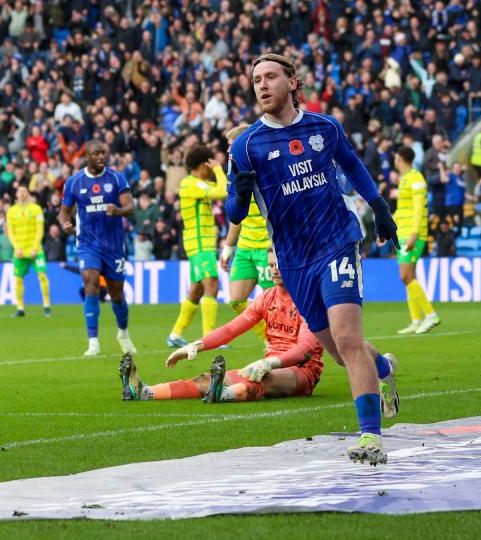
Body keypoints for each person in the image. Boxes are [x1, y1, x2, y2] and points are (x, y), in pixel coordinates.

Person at [225, 54, 399, 465]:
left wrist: (378, 206)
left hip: (337, 241)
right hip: (293, 261)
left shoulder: (324, 127)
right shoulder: (245, 145)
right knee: (339, 353)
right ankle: (384, 370)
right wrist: (242, 192)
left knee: (347, 338)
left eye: (270, 77)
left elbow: (352, 165)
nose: (262, 85)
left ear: (292, 82)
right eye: (255, 80)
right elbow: (234, 213)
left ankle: (370, 438)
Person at [121, 250, 324, 403]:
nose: (275, 270)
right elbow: (231, 329)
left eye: (279, 264)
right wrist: (197, 345)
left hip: (301, 372)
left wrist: (269, 364)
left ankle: (223, 394)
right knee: (204, 379)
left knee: (260, 380)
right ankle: (145, 392)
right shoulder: (267, 298)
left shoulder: (308, 299)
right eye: (271, 265)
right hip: (268, 364)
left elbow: (304, 351)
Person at [59, 140, 137, 357]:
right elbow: (63, 211)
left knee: (117, 294)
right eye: (97, 153)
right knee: (90, 281)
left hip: (113, 246)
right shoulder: (74, 182)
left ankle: (122, 333)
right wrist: (65, 223)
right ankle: (93, 342)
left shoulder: (116, 178)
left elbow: (130, 207)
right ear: (87, 157)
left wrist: (118, 211)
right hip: (87, 244)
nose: (102, 157)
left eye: (104, 153)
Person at [166, 145, 228, 347]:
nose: (211, 170)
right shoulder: (192, 184)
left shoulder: (194, 184)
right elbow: (222, 191)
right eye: (209, 165)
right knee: (212, 284)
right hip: (199, 244)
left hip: (201, 244)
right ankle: (210, 338)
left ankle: (175, 335)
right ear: (203, 164)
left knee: (196, 291)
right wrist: (219, 169)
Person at [219, 125, 274, 345]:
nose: (228, 150)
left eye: (231, 144)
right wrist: (228, 248)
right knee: (236, 300)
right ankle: (270, 339)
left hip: (266, 247)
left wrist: (275, 245)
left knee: (275, 304)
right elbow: (236, 215)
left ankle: (288, 343)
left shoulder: (264, 168)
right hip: (245, 247)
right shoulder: (233, 172)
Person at [393, 146, 440, 334]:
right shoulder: (405, 179)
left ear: (400, 158)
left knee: (405, 276)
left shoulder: (416, 179)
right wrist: (386, 229)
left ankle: (431, 315)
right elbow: (402, 210)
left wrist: (414, 234)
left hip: (411, 234)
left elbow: (419, 209)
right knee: (410, 277)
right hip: (401, 233)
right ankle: (416, 319)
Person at [7, 184, 51, 317]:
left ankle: (46, 306)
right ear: (16, 194)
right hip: (19, 251)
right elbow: (11, 232)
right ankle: (20, 308)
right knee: (19, 279)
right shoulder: (11, 211)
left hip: (35, 250)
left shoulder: (36, 209)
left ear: (28, 193)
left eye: (24, 190)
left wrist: (34, 248)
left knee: (42, 275)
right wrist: (17, 249)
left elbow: (40, 230)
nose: (22, 193)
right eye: (19, 191)